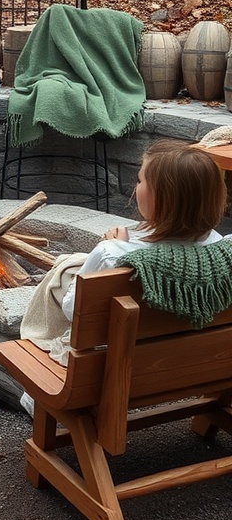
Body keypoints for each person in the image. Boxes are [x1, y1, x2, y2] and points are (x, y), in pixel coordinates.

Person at [19, 139, 228, 413]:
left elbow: (74, 310)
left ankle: (35, 399)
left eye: (140, 180)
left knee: (62, 277)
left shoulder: (112, 253)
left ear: (159, 197)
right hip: (206, 364)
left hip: (118, 372)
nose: (135, 187)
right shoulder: (222, 250)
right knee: (70, 266)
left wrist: (109, 247)